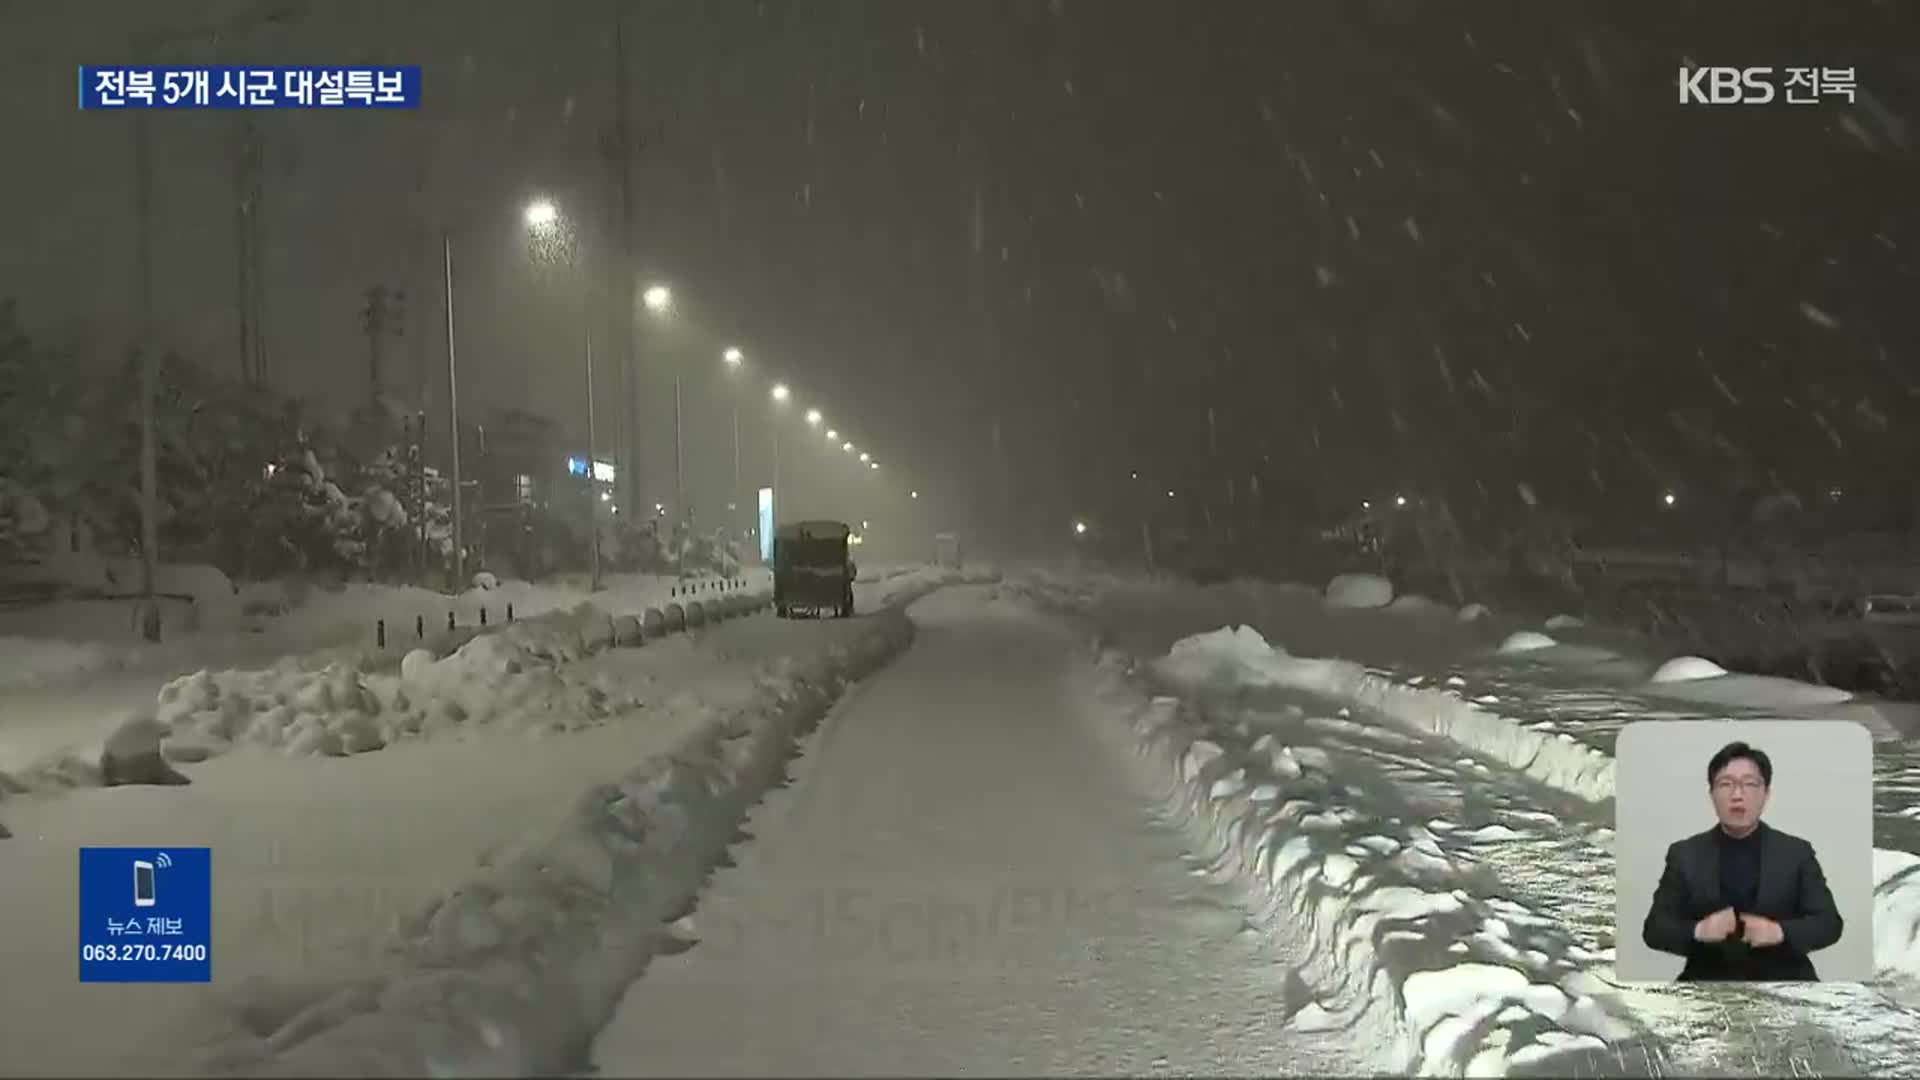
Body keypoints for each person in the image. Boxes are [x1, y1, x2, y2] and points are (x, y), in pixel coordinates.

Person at [1641, 740, 1843, 981]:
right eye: (1726, 784)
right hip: (1707, 983)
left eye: (1749, 784)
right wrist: (1699, 930)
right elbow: (1654, 929)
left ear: (1766, 794)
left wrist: (1778, 932)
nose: (1737, 795)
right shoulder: (1685, 854)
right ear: (1712, 794)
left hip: (1787, 982)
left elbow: (1829, 923)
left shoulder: (1796, 852)